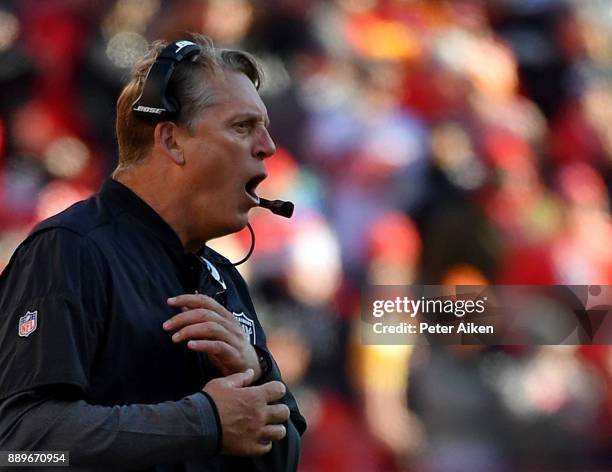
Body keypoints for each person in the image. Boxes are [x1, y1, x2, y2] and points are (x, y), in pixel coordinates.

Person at [0, 33, 306, 471]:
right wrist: (206, 421)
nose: (268, 147)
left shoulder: (221, 276)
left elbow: (283, 460)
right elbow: (19, 447)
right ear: (171, 140)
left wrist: (257, 374)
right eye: (242, 127)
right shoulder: (70, 250)